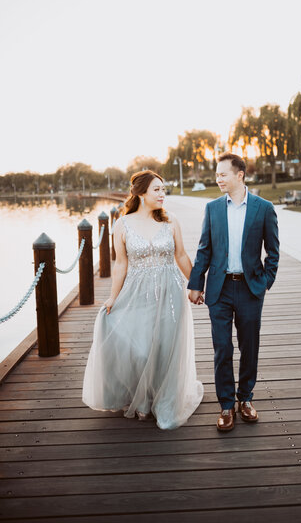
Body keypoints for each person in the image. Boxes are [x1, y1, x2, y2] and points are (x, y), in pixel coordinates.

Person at [82, 170, 203, 430]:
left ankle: (165, 403)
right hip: (137, 292)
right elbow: (120, 264)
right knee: (141, 348)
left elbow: (181, 256)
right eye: (157, 189)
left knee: (165, 348)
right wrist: (113, 298)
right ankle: (143, 399)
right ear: (141, 193)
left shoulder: (170, 222)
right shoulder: (122, 225)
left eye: (163, 189)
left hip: (170, 292)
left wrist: (195, 285)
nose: (162, 194)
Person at [188, 153, 279, 431]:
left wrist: (264, 283)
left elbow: (273, 252)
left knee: (249, 346)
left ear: (240, 175)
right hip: (220, 288)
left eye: (222, 174)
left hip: (251, 288)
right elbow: (204, 249)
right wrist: (195, 283)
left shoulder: (264, 208)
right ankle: (226, 405)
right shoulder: (213, 208)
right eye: (217, 174)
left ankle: (246, 399)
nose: (218, 179)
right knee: (222, 348)